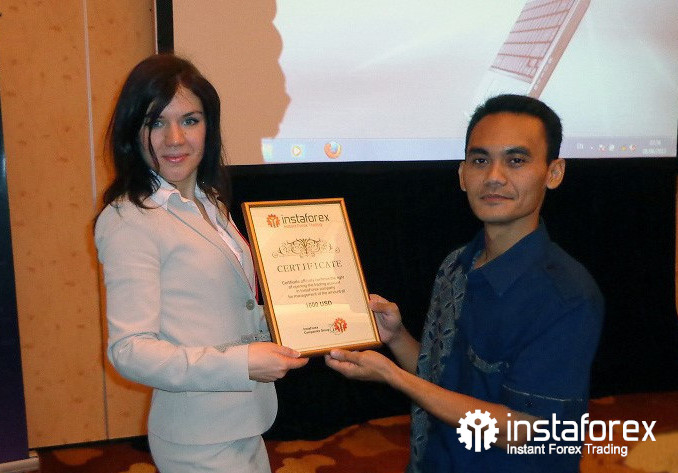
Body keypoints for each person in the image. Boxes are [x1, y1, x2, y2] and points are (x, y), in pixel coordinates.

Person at [325, 94, 604, 472]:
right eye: (480, 160)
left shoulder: (566, 296)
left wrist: (393, 377)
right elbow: (440, 379)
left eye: (516, 160)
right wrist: (396, 337)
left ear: (553, 173)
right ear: (461, 174)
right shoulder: (457, 265)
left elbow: (524, 431)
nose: (494, 177)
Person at [94, 54, 308, 473]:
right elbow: (129, 350)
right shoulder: (129, 219)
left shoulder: (210, 203)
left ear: (209, 126)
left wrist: (311, 318)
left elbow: (226, 308)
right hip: (197, 438)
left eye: (190, 120)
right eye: (156, 122)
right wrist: (243, 363)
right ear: (133, 131)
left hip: (244, 422)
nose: (174, 138)